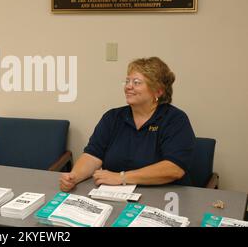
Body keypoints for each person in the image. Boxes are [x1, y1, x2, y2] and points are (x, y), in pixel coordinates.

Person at [60, 57, 195, 192]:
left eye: (136, 82)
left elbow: (174, 169)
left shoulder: (175, 119)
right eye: (127, 81)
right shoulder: (112, 117)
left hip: (165, 197)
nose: (128, 86)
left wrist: (121, 177)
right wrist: (73, 177)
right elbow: (92, 156)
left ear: (158, 91)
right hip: (115, 195)